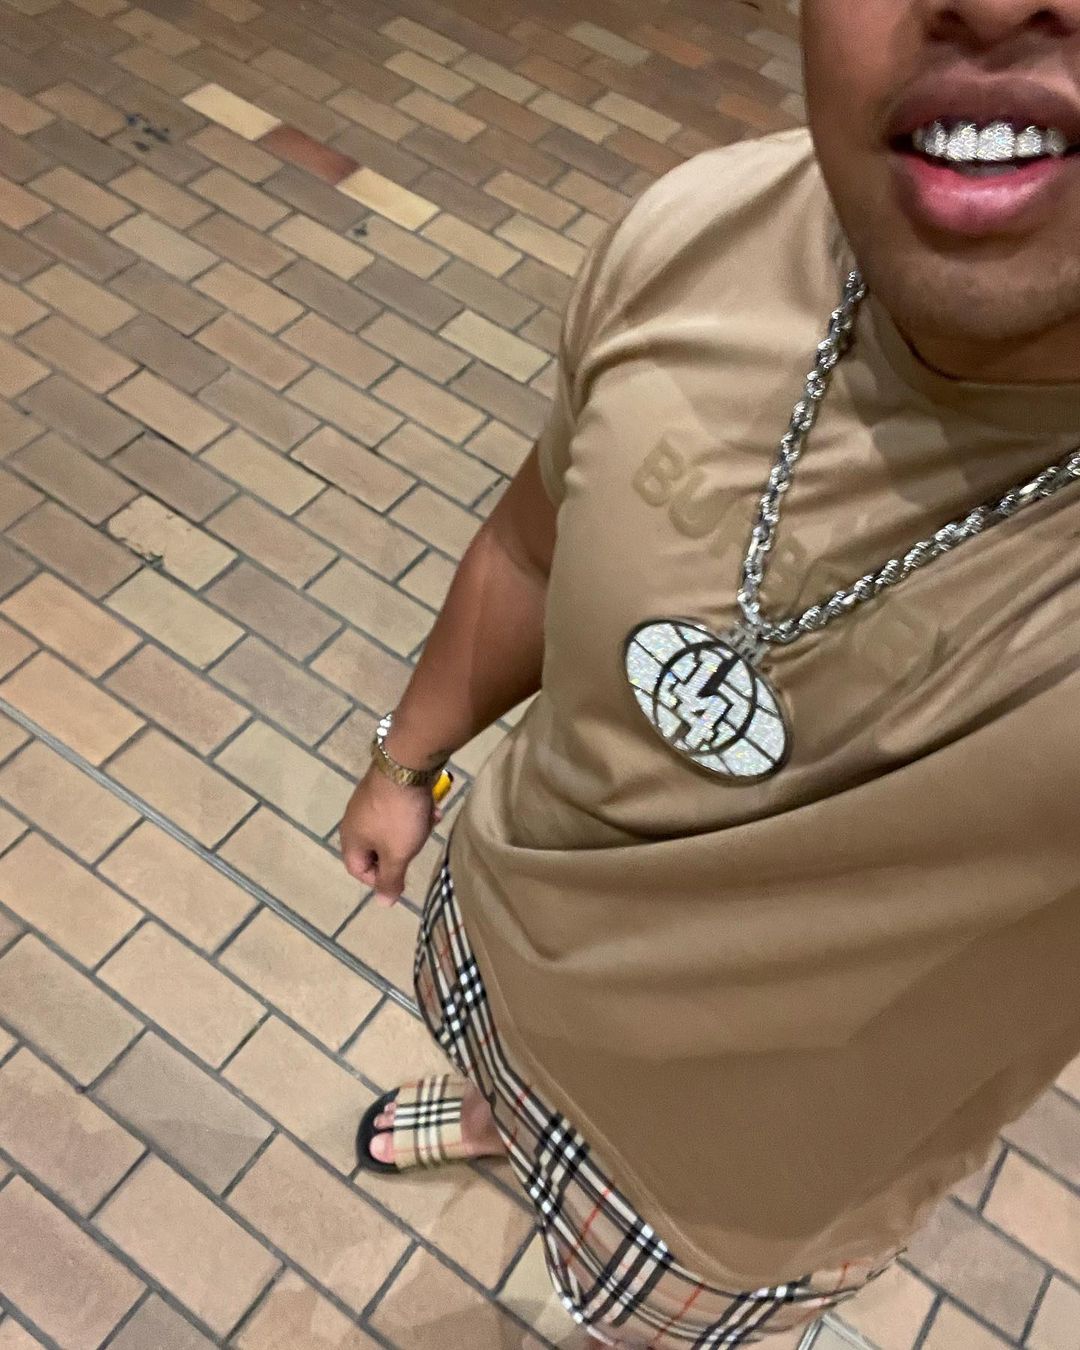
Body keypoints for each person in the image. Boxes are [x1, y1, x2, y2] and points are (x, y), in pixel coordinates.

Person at [340, 0, 1080, 1343]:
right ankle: (499, 1113)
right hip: (498, 945)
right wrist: (407, 761)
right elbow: (527, 547)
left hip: (722, 1210)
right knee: (487, 1049)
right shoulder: (701, 227)